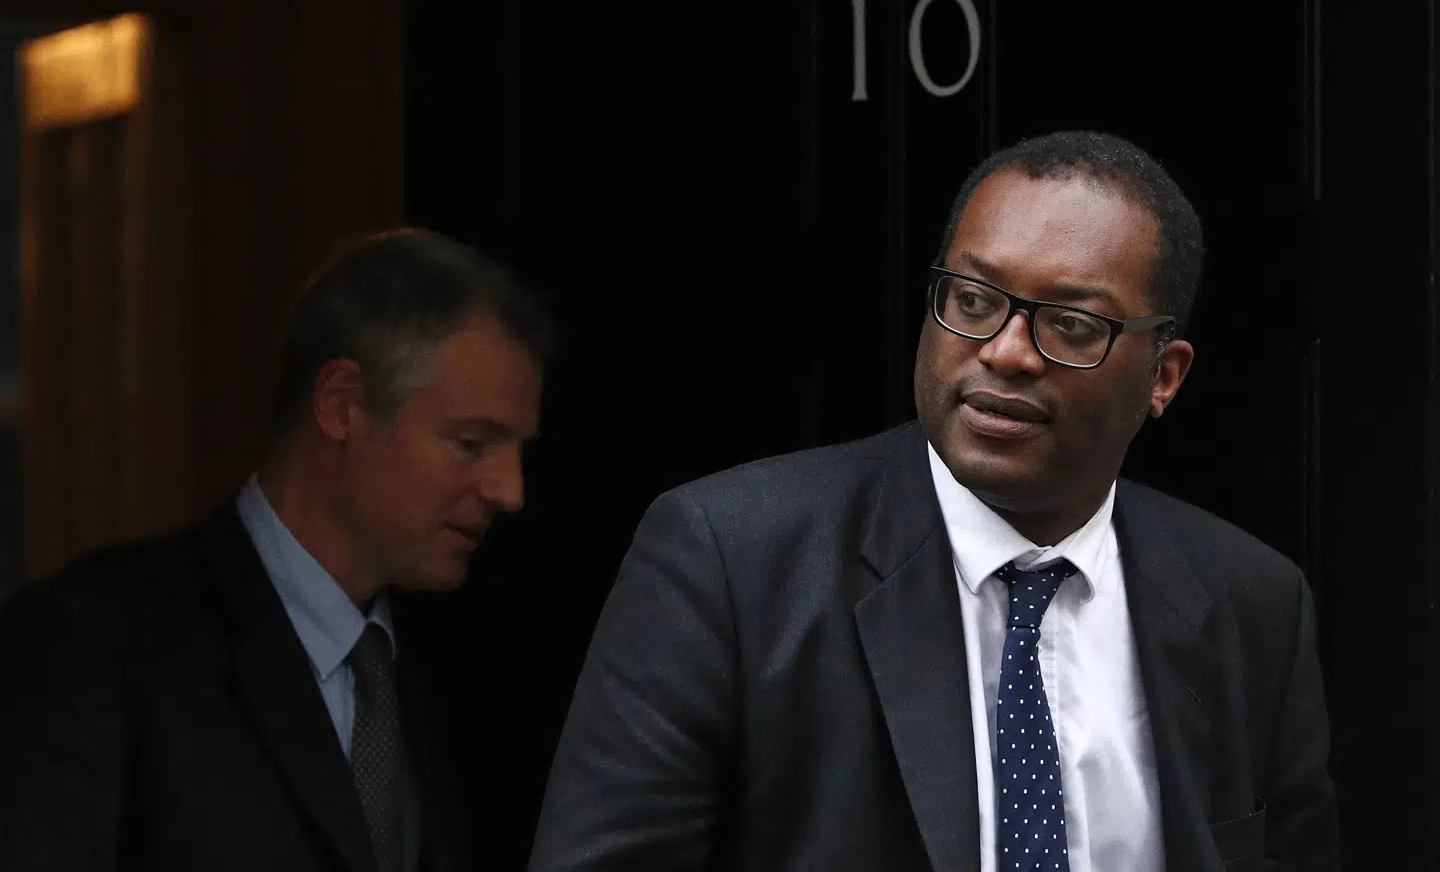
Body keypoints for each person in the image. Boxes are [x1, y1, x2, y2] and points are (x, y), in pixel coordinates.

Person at [527, 131, 1339, 872]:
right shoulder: (729, 561)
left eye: (1070, 324)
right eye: (974, 301)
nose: (1007, 352)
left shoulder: (1252, 603)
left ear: (1164, 376)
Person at [0, 227, 554, 872]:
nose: (511, 491)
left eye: (518, 451)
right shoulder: (94, 643)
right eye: (471, 443)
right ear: (342, 406)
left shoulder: (456, 672)